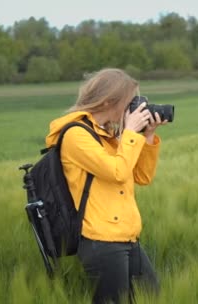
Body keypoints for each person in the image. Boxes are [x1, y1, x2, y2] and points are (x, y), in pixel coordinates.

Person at [44, 68, 166, 303]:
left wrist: (147, 135)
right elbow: (117, 172)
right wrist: (130, 132)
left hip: (128, 237)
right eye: (130, 102)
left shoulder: (106, 136)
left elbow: (142, 176)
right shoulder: (75, 136)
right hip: (101, 241)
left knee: (151, 296)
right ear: (110, 101)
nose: (135, 109)